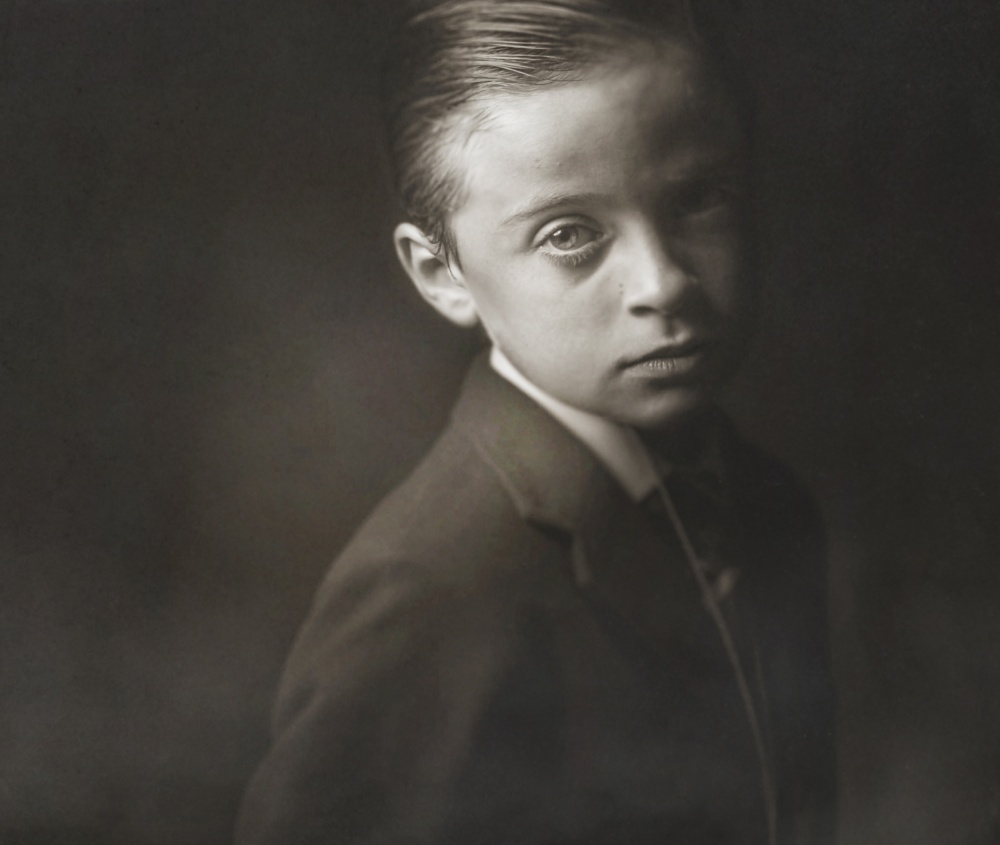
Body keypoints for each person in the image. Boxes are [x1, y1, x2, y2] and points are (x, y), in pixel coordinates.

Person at [236, 1, 836, 842]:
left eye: (697, 197)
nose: (662, 281)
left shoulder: (765, 501)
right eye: (568, 234)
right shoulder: (437, 589)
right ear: (441, 274)